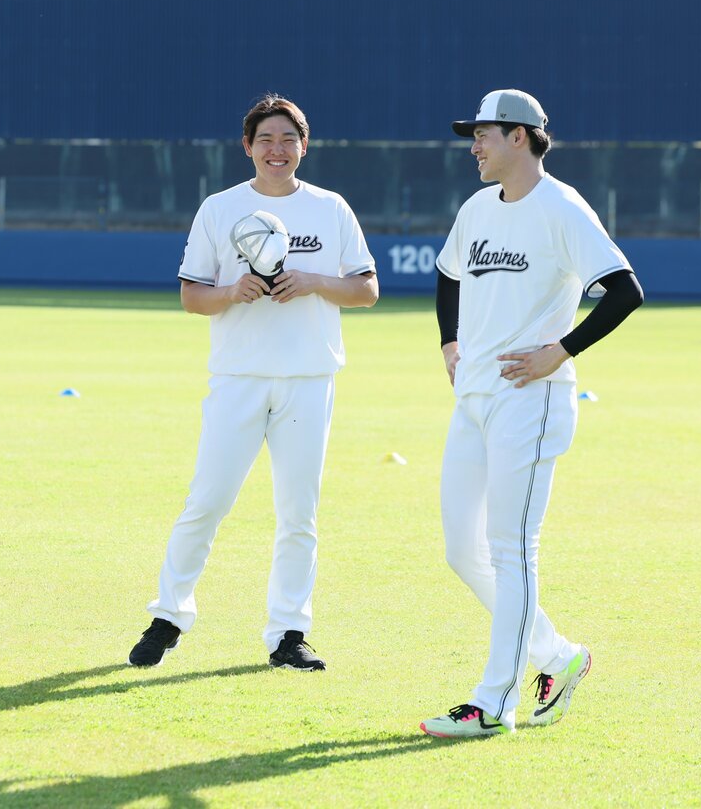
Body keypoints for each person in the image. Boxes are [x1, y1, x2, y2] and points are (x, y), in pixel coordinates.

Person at [419, 89, 644, 739]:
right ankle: (559, 656)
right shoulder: (476, 208)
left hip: (531, 401)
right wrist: (450, 342)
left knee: (511, 550)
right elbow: (447, 273)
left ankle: (494, 705)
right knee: (462, 550)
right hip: (475, 400)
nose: (474, 146)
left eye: (483, 134)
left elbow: (625, 289)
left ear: (519, 136)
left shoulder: (561, 207)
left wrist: (560, 351)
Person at [128, 94, 378, 672]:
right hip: (238, 378)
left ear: (304, 146)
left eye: (288, 139)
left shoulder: (331, 208)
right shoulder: (220, 208)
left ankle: (289, 633)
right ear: (247, 146)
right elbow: (192, 296)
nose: (276, 149)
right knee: (206, 502)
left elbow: (366, 289)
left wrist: (313, 281)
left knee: (298, 514)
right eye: (266, 139)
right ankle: (168, 617)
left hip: (308, 378)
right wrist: (231, 292)